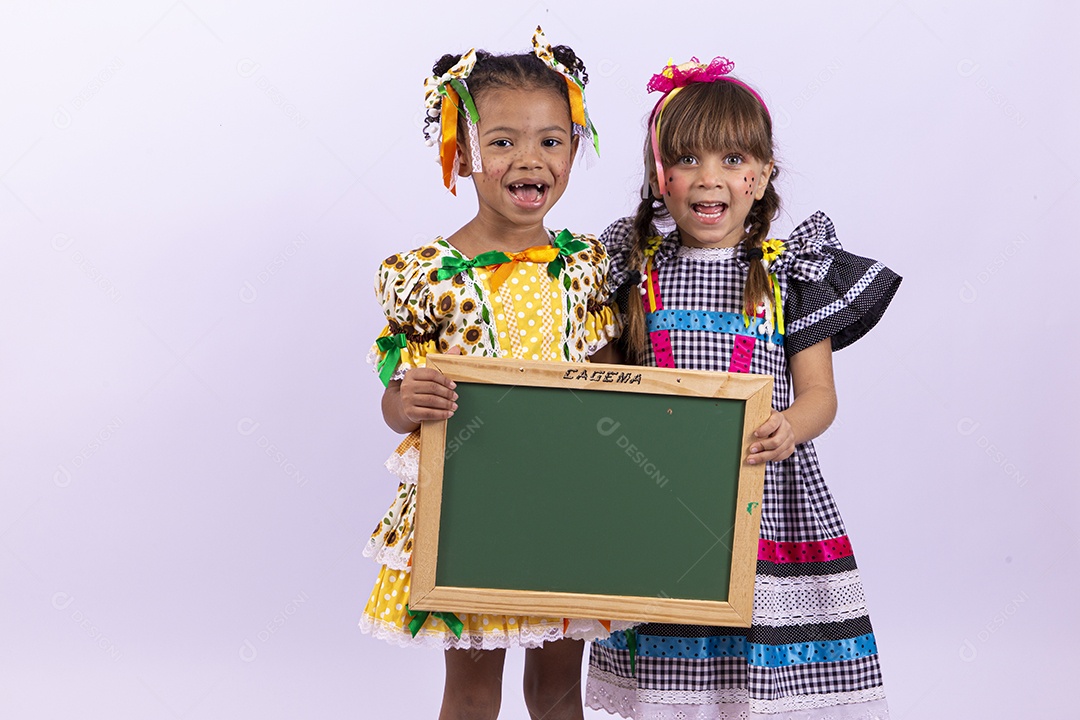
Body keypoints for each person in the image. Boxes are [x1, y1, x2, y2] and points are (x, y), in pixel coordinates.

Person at [585, 58, 901, 720]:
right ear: (658, 178)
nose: (710, 178)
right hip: (661, 499)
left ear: (761, 176)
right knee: (673, 662)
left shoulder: (788, 275)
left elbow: (820, 397)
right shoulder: (632, 273)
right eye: (688, 159)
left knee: (753, 665)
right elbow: (603, 389)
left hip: (764, 498)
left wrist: (789, 426)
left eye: (732, 158)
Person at [360, 28, 628, 720]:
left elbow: (613, 378)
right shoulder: (425, 276)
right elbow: (398, 400)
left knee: (556, 688)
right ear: (462, 150)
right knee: (474, 691)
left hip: (571, 505)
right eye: (502, 141)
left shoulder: (584, 267)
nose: (528, 160)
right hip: (472, 507)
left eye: (550, 140)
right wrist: (407, 400)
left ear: (573, 147)